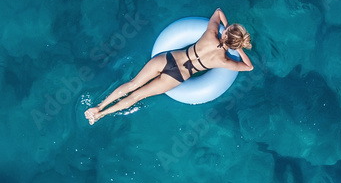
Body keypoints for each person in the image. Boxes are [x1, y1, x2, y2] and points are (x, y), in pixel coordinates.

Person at [85, 9, 253, 124]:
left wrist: (227, 24)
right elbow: (248, 67)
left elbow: (218, 11)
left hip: (168, 59)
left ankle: (98, 107)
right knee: (136, 97)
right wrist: (238, 48)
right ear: (234, 44)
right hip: (178, 76)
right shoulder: (224, 61)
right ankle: (100, 115)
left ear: (225, 32)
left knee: (132, 84)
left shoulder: (210, 33)